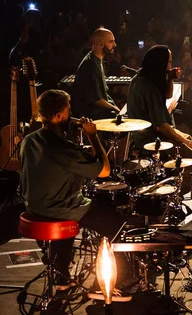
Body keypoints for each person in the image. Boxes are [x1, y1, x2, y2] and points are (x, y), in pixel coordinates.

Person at [19, 89, 129, 299]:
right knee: (115, 223)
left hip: (33, 207)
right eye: (68, 111)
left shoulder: (28, 141)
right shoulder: (62, 147)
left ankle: (62, 279)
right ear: (58, 115)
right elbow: (104, 171)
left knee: (70, 209)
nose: (70, 115)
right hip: (58, 209)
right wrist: (93, 137)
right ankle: (106, 285)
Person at [127, 45, 192, 194]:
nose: (170, 65)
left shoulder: (140, 78)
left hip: (147, 133)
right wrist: (183, 142)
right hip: (151, 138)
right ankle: (173, 195)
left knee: (189, 139)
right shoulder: (149, 88)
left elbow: (168, 96)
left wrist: (170, 78)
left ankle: (174, 176)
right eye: (168, 62)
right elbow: (161, 126)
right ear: (159, 64)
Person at [71, 27, 120, 119]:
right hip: (91, 115)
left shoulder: (97, 60)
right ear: (101, 44)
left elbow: (102, 95)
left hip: (98, 110)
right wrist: (118, 111)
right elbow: (97, 100)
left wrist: (115, 106)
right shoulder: (90, 66)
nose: (115, 45)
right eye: (111, 41)